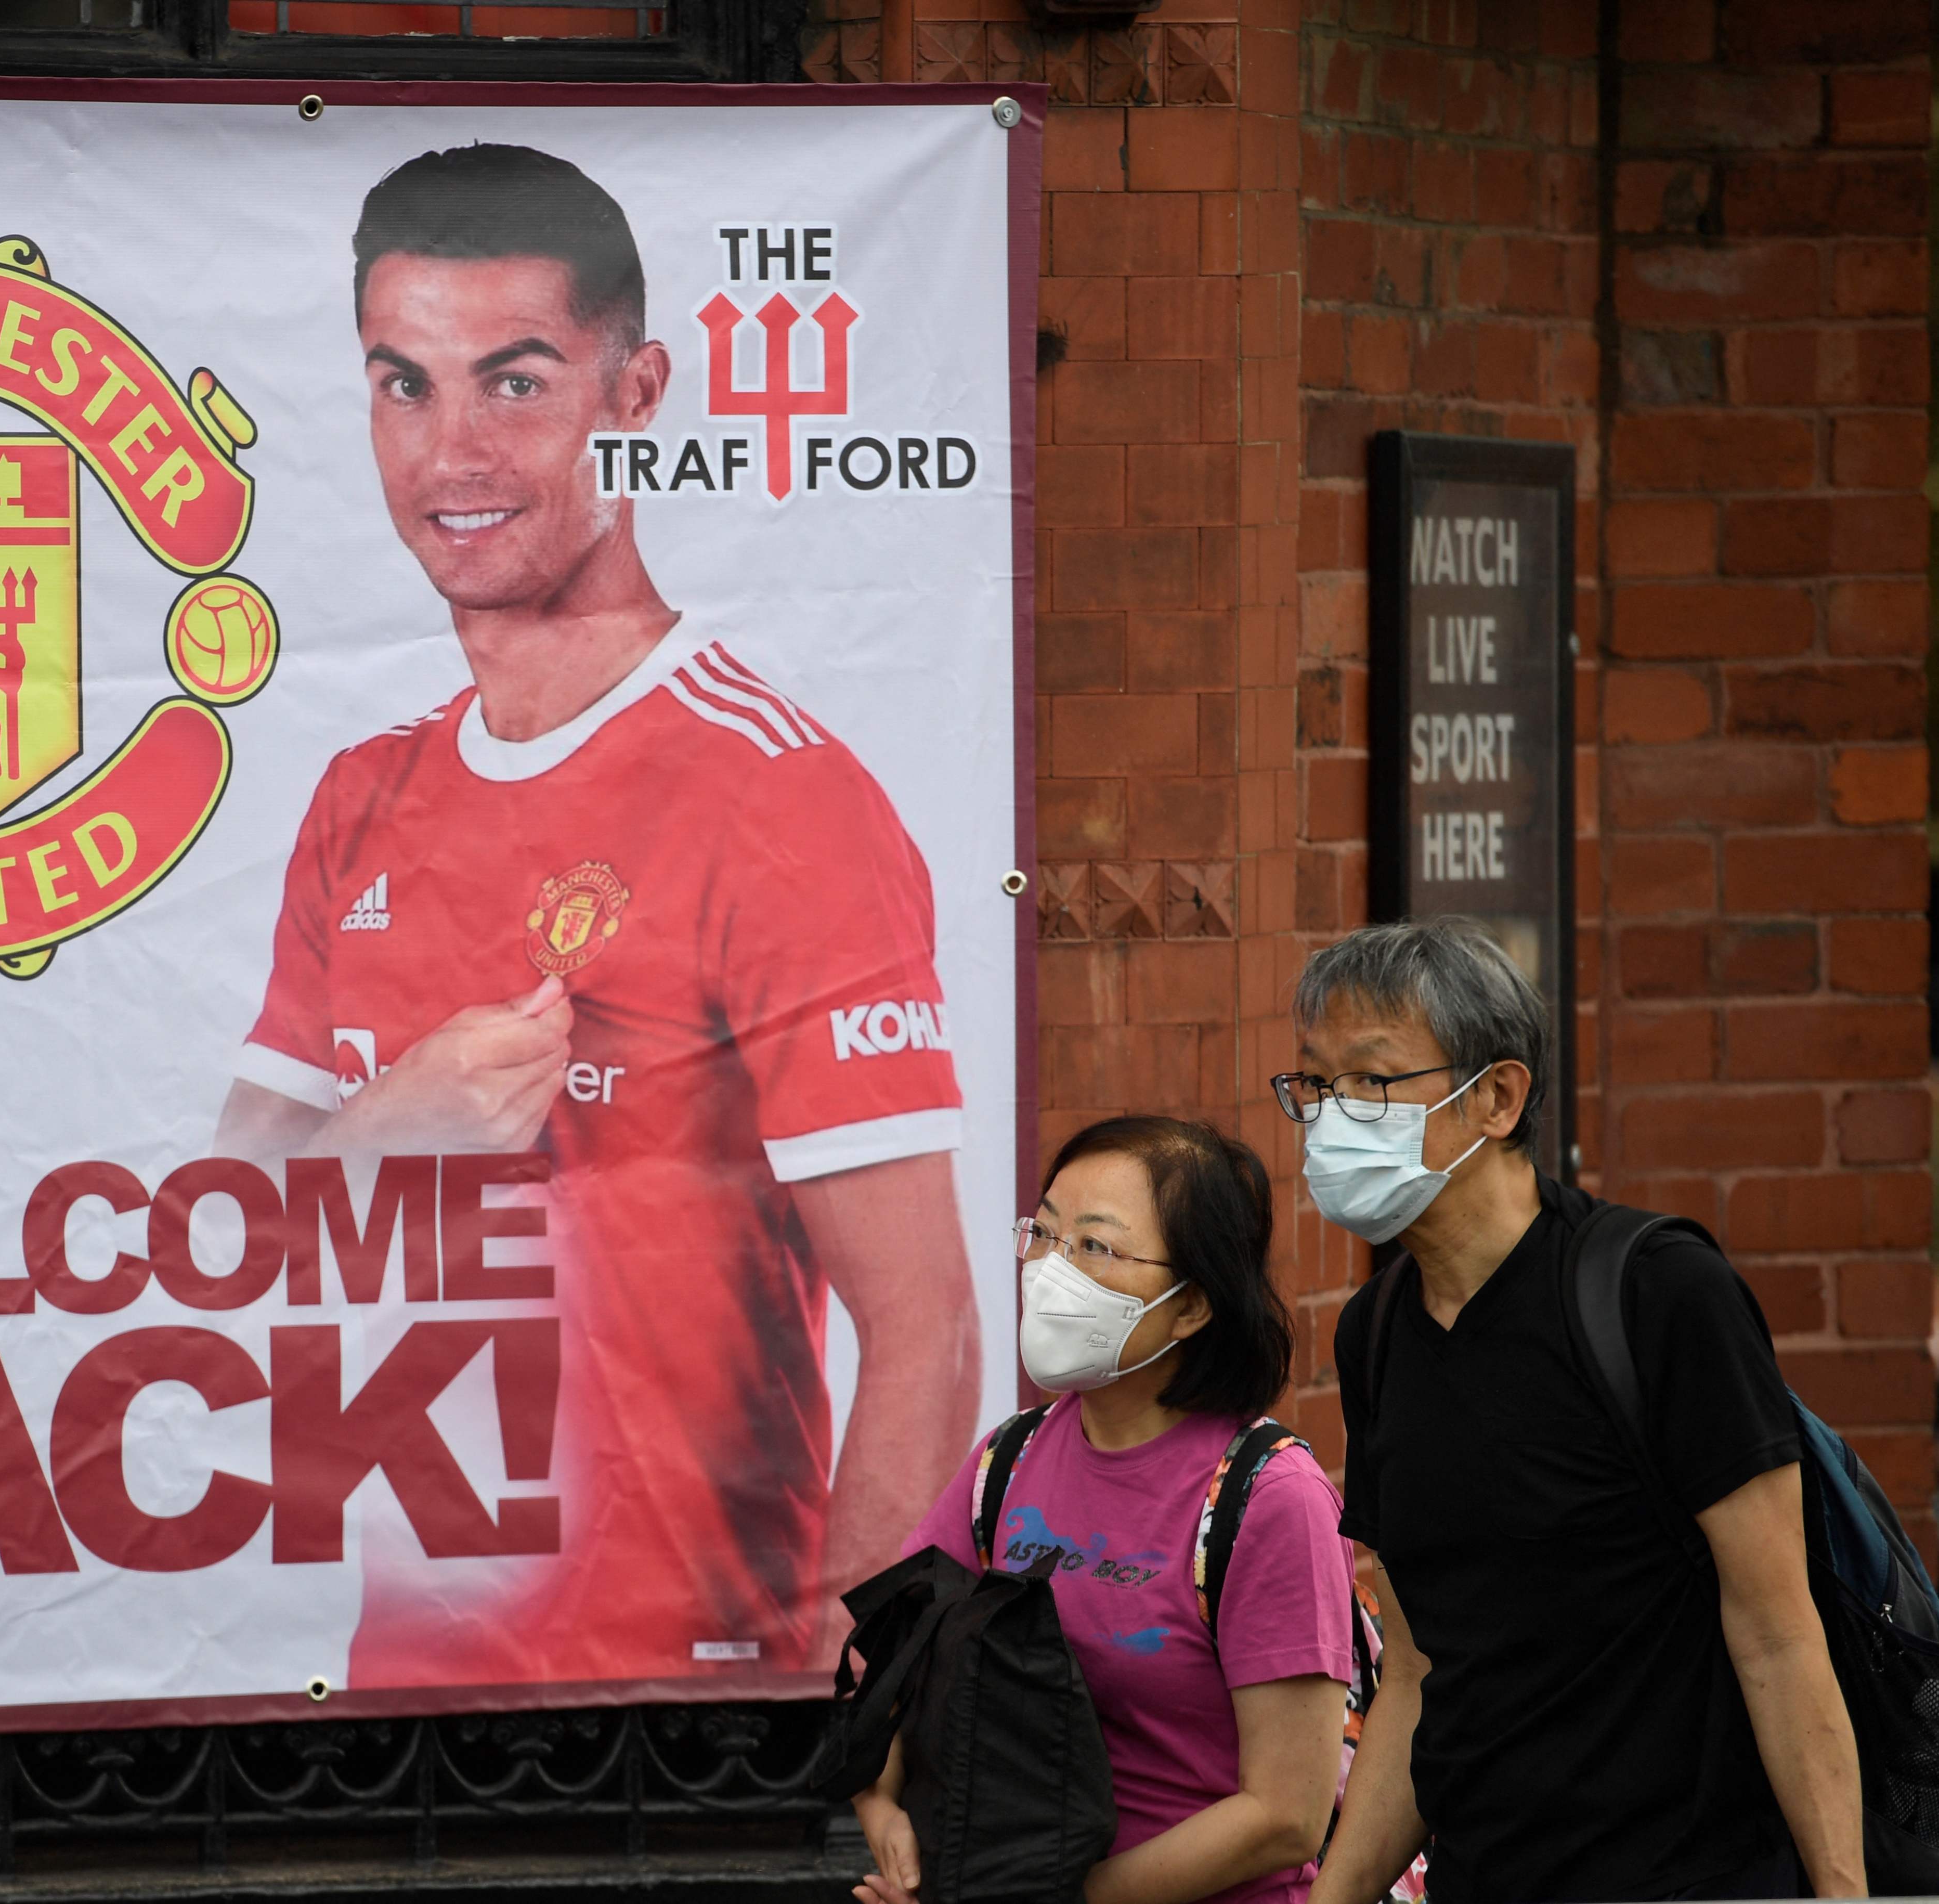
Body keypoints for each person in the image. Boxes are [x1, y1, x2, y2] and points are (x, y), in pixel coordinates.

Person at [214, 143, 982, 1686]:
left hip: (687, 1696)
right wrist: (390, 1127)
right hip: (391, 1686)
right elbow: (208, 1249)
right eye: (404, 384)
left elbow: (929, 1333)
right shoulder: (360, 797)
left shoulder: (774, 795)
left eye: (514, 381)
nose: (452, 451)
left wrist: (841, 1701)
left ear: (635, 395)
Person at [1294, 920, 1865, 1903]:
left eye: (1373, 1081)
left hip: (1689, 1881)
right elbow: (1421, 1672)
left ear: (1499, 1097)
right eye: (1314, 1082)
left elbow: (1777, 1628)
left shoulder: (1658, 1294)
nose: (1332, 1115)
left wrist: (1842, 1891)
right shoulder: (1376, 1333)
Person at [858, 1116, 1354, 1904]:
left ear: (1192, 1305)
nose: (1051, 1270)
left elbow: (1285, 1816)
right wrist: (885, 1811)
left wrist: (1058, 1901)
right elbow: (893, 1659)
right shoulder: (1007, 1462)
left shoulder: (1268, 1498)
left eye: (1094, 1246)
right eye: (1044, 1233)